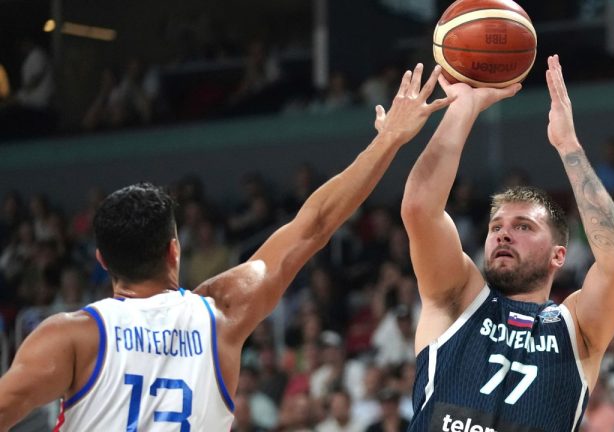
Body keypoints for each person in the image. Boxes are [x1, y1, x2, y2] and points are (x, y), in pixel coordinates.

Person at [0, 63, 453, 431]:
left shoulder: (70, 336)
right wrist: (390, 137)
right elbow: (314, 224)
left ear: (101, 261)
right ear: (175, 250)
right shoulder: (222, 313)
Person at [402, 55, 614, 430]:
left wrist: (569, 147)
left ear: (559, 255)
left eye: (524, 227)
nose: (503, 234)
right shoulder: (457, 298)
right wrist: (463, 109)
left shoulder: (577, 329)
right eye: (496, 227)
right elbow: (419, 209)